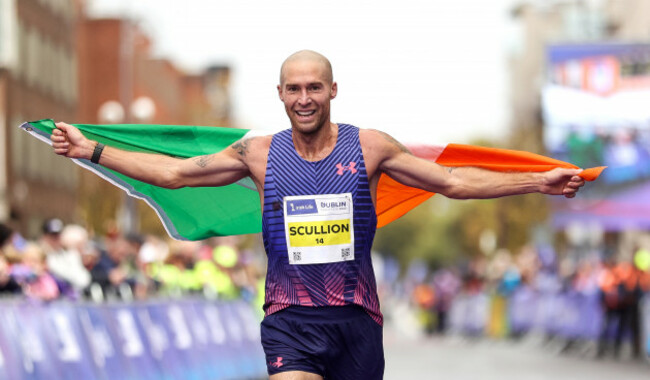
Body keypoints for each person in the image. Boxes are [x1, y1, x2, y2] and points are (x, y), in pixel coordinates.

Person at [51, 50, 586, 379]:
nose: (304, 98)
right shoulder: (257, 153)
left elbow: (451, 182)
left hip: (357, 321)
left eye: (314, 87)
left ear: (332, 90)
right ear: (280, 95)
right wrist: (90, 150)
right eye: (293, 88)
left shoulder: (370, 147)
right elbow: (174, 173)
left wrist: (537, 181)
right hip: (289, 319)